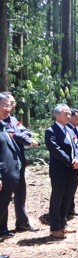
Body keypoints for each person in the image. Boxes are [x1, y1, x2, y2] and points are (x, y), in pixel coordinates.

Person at [3, 91, 39, 232]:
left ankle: (22, 223)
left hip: (19, 162)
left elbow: (24, 131)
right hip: (6, 164)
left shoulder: (13, 119)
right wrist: (27, 140)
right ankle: (3, 228)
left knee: (21, 193)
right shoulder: (2, 122)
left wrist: (22, 135)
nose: (12, 105)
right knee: (4, 197)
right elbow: (14, 134)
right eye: (8, 103)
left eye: (13, 103)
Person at [45, 104, 78, 239]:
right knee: (58, 198)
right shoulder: (51, 131)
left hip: (73, 170)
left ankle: (63, 224)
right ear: (57, 115)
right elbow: (55, 149)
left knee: (68, 197)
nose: (68, 116)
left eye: (69, 114)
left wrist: (77, 158)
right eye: (65, 114)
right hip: (60, 171)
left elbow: (77, 147)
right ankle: (54, 228)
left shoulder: (71, 130)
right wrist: (70, 161)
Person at [0, 93, 23, 237]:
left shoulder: (3, 125)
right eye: (4, 105)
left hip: (7, 180)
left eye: (9, 106)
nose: (8, 109)